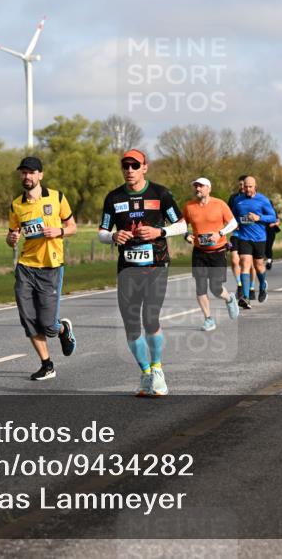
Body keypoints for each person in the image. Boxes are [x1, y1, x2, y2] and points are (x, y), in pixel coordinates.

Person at [98, 149, 186, 397]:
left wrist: (160, 232)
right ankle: (146, 372)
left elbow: (181, 224)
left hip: (156, 265)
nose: (129, 170)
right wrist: (114, 236)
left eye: (135, 165)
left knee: (150, 319)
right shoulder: (113, 198)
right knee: (131, 325)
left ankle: (158, 370)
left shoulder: (160, 194)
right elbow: (102, 232)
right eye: (125, 166)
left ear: (145, 167)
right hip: (127, 269)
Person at [6, 156, 78, 380]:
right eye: (23, 172)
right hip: (26, 267)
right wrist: (11, 238)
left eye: (31, 172)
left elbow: (73, 226)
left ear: (40, 175)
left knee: (48, 325)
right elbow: (11, 235)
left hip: (51, 266)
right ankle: (47, 365)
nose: (26, 176)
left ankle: (62, 329)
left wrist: (60, 232)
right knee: (28, 319)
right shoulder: (17, 204)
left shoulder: (56, 197)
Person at [182, 177, 240, 331]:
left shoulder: (219, 204)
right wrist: (186, 235)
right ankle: (208, 319)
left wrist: (219, 233)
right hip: (199, 252)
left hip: (218, 251)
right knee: (200, 287)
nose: (197, 189)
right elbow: (182, 224)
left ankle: (229, 298)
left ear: (209, 188)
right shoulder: (189, 206)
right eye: (195, 186)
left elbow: (233, 223)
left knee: (215, 288)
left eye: (200, 186)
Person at [229, 176, 278, 307]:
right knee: (245, 263)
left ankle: (262, 285)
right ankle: (245, 297)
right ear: (242, 187)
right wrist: (235, 224)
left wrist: (258, 217)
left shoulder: (263, 200)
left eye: (250, 186)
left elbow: (273, 217)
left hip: (259, 238)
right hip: (244, 237)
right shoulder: (238, 200)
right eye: (246, 186)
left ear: (255, 186)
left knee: (259, 266)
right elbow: (233, 216)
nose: (248, 189)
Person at [227, 175, 246, 299]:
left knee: (247, 263)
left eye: (244, 184)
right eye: (240, 184)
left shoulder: (254, 198)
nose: (242, 187)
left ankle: (250, 287)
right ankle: (239, 285)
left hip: (249, 235)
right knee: (234, 260)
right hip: (236, 233)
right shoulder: (233, 198)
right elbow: (227, 214)